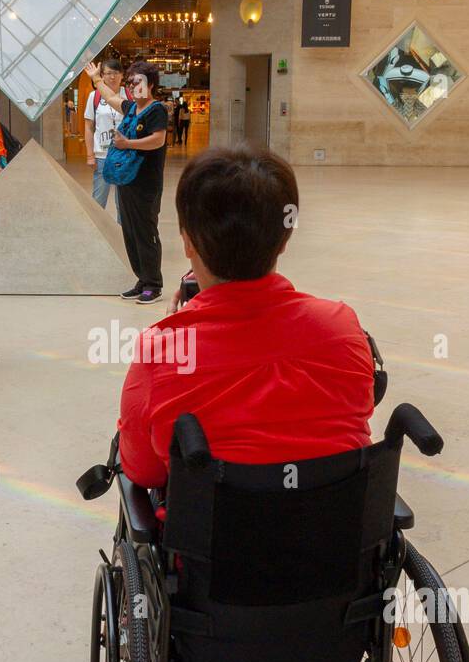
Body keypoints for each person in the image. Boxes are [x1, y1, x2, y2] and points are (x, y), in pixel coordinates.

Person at [117, 145, 374, 488]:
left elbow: (143, 471)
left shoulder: (161, 353)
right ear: (285, 238)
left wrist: (174, 331)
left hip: (211, 538)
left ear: (188, 242)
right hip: (338, 534)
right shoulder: (343, 329)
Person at [84, 58, 167, 305]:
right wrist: (97, 79)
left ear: (150, 84)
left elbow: (158, 140)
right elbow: (111, 98)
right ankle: (142, 279)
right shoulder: (132, 108)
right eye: (131, 82)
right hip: (127, 180)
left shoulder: (156, 110)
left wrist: (127, 144)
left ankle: (154, 284)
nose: (133, 86)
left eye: (138, 81)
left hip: (146, 183)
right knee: (130, 232)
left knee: (145, 232)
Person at [83, 57, 127, 217]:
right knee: (98, 200)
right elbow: (88, 127)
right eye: (108, 73)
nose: (112, 77)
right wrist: (90, 155)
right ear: (101, 76)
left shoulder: (128, 96)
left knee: (123, 203)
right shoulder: (94, 97)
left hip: (124, 156)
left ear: (122, 75)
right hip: (102, 156)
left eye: (116, 73)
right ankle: (96, 234)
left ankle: (123, 235)